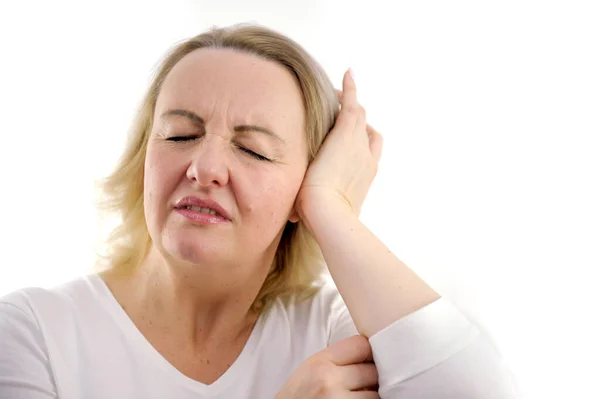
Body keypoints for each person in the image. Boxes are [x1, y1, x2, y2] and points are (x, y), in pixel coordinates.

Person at [0, 23, 520, 398]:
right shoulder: (33, 332)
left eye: (253, 150)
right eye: (180, 134)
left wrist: (329, 210)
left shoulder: (335, 335)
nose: (205, 168)